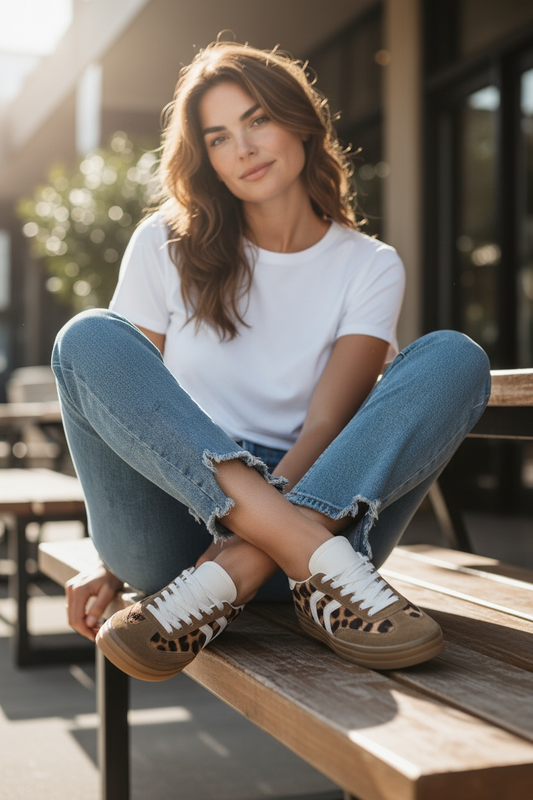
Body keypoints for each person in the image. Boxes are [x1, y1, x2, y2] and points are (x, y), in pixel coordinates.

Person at [52, 41, 491, 682]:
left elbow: (324, 427)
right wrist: (113, 561)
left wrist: (253, 547)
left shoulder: (368, 265)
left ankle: (233, 578)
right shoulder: (164, 245)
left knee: (455, 356)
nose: (245, 148)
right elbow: (133, 411)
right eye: (220, 137)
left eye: (258, 120)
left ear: (301, 123)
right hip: (184, 536)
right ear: (207, 159)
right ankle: (299, 560)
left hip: (322, 516)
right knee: (88, 337)